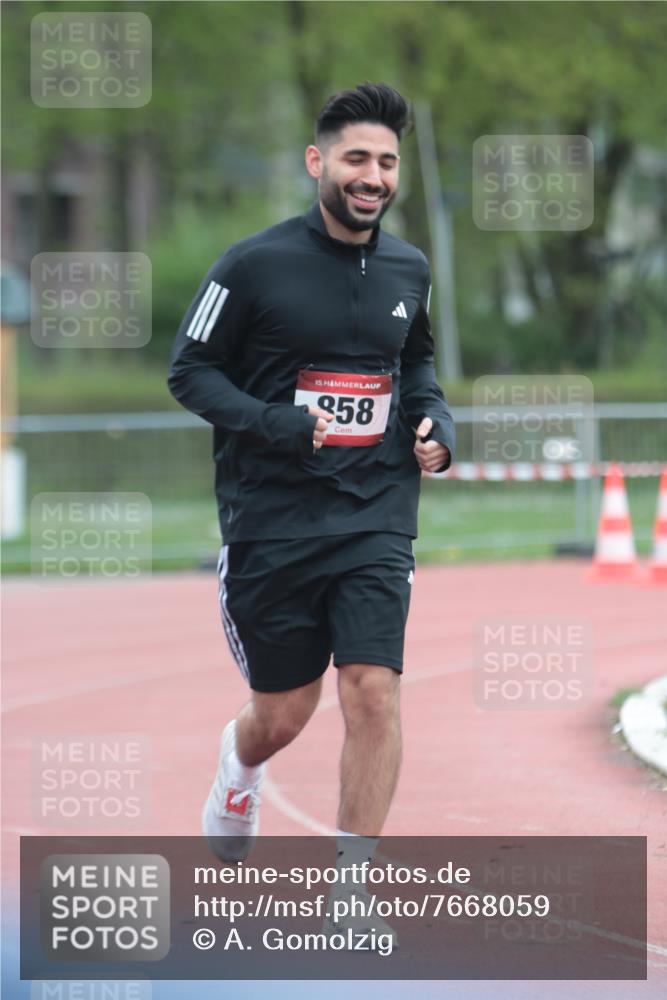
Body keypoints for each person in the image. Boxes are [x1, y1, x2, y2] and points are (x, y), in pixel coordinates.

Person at [168, 82, 455, 937]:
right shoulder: (251, 263)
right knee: (283, 714)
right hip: (272, 519)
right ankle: (238, 766)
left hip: (374, 512)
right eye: (357, 158)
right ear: (317, 163)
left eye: (386, 162)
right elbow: (189, 371)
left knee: (372, 691)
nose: (373, 176)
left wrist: (437, 422)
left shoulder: (409, 267)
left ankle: (351, 891)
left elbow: (418, 367)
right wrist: (276, 424)